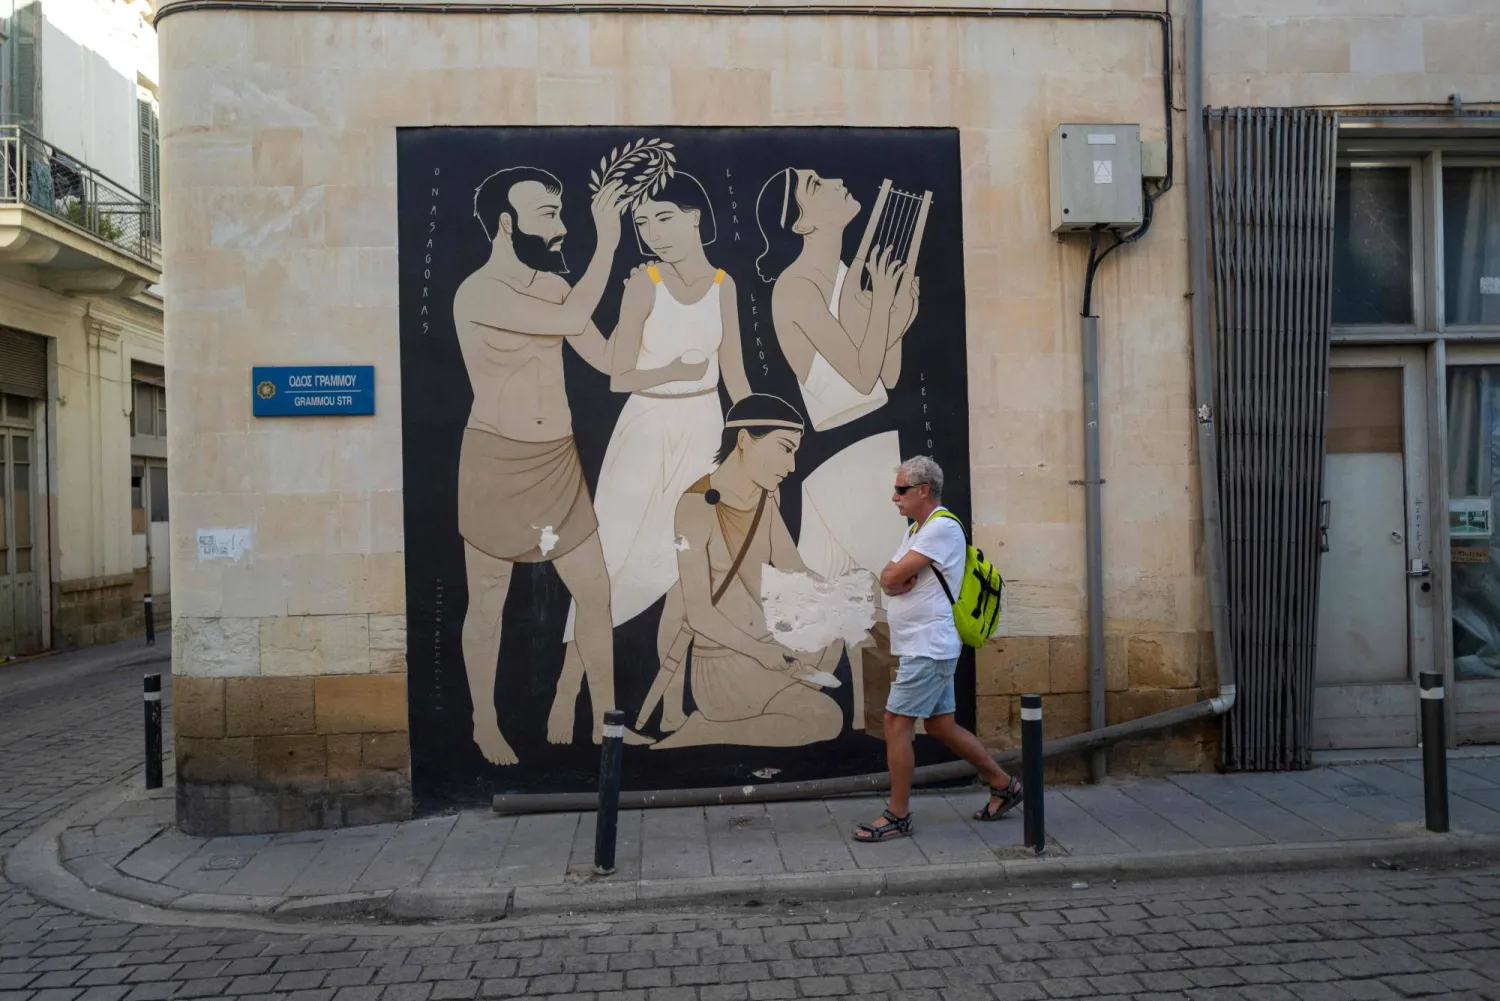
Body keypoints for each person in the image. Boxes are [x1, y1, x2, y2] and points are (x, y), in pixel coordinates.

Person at [551, 171, 752, 741]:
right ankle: (569, 694)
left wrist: (752, 431)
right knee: (608, 561)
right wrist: (674, 372)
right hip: (646, 423)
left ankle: (670, 706)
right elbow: (618, 376)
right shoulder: (644, 282)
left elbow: (734, 370)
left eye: (664, 217)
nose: (653, 231)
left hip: (703, 425)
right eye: (643, 222)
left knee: (684, 567)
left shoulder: (724, 284)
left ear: (695, 217)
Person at [453, 166, 632, 765]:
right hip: (495, 460)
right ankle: (483, 722)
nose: (559, 227)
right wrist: (607, 242)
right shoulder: (477, 293)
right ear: (506, 225)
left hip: (557, 460)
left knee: (596, 592)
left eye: (560, 213)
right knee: (487, 601)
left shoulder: (557, 287)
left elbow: (608, 360)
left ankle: (608, 722)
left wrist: (649, 308)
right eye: (546, 215)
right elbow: (569, 321)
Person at [754, 167, 921, 729]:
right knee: (876, 603)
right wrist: (886, 316)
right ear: (803, 219)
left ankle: (874, 731)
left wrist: (894, 319)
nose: (832, 179)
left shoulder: (843, 273)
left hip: (867, 448)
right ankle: (891, 733)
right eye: (815, 182)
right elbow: (856, 374)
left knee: (864, 610)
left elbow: (884, 377)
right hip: (848, 456)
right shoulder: (796, 287)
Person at [651, 393, 844, 750]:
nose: (791, 466)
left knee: (836, 628)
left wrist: (845, 596)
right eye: (785, 449)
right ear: (743, 440)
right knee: (825, 719)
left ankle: (772, 705)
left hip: (768, 649)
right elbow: (698, 612)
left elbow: (792, 568)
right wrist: (759, 651)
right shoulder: (695, 507)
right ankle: (706, 731)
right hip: (725, 663)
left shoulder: (765, 496)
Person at [852, 455, 1022, 843]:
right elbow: (888, 578)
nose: (894, 497)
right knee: (940, 724)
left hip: (929, 646)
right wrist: (893, 580)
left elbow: (893, 575)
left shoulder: (940, 528)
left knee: (896, 723)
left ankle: (897, 815)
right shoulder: (917, 530)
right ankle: (1003, 784)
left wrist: (895, 579)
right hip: (924, 645)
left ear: (923, 490)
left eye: (901, 489)